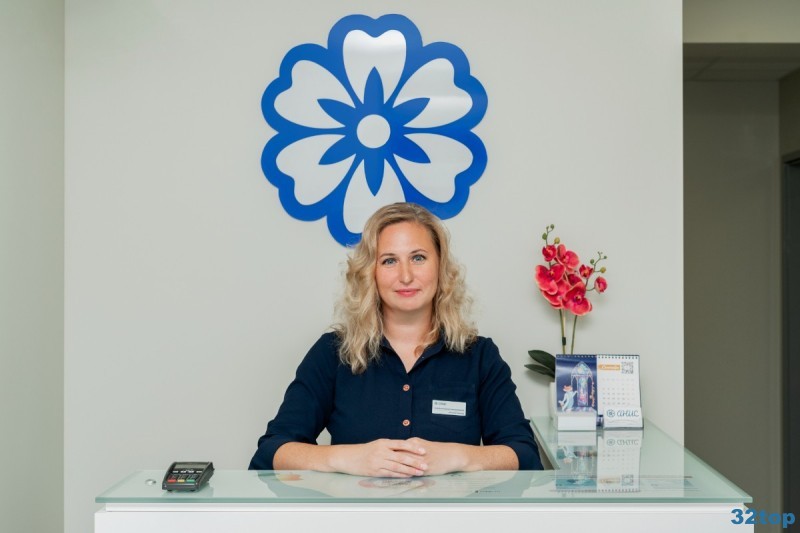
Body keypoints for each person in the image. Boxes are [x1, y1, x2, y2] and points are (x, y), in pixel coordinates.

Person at [249, 202, 542, 476]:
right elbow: (271, 452)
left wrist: (458, 457)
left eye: (418, 258)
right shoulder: (333, 353)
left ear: (440, 266)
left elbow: (525, 455)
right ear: (370, 273)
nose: (406, 276)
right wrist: (348, 458)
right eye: (389, 261)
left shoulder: (479, 356)